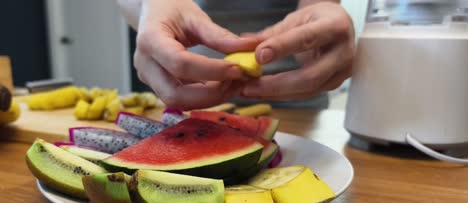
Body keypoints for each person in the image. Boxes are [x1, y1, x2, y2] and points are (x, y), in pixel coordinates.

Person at [117, 0, 355, 110]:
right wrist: (150, 6)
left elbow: (316, 7)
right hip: (185, 99)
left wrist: (318, 37)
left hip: (298, 107)